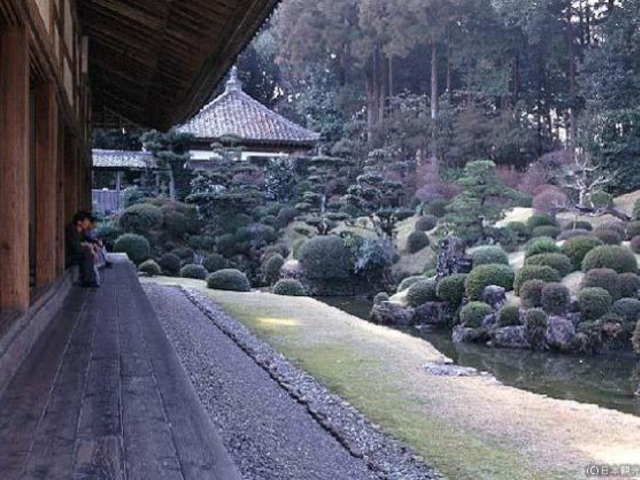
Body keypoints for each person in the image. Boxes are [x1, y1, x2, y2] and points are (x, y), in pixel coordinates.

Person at [65, 211, 100, 288]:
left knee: (89, 250)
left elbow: (85, 239)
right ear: (79, 222)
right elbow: (76, 247)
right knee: (87, 252)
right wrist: (88, 247)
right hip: (68, 257)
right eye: (86, 221)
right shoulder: (72, 230)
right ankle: (88, 280)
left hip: (74, 255)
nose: (88, 223)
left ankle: (91, 278)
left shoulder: (80, 230)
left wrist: (94, 243)